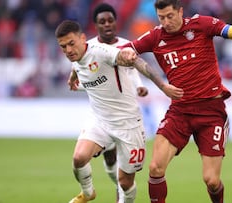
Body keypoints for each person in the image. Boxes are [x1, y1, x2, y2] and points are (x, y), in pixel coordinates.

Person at [121, 0, 232, 202]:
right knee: (155, 168)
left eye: (170, 16)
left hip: (211, 111)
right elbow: (128, 48)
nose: (166, 22)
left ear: (181, 11)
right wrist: (127, 51)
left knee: (212, 181)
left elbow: (231, 31)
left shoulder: (201, 24)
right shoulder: (156, 36)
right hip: (180, 111)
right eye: (161, 17)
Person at [55, 20, 183, 203]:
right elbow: (77, 67)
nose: (68, 50)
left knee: (125, 182)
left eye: (71, 44)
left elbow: (136, 61)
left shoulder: (101, 52)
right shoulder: (76, 58)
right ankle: (88, 193)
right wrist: (72, 78)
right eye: (63, 47)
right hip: (100, 120)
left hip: (128, 123)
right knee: (79, 158)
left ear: (83, 38)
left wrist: (162, 86)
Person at [89, 3, 149, 201]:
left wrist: (139, 85)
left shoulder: (125, 44)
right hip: (104, 113)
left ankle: (122, 188)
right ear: (96, 25)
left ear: (116, 22)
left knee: (123, 160)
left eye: (110, 20)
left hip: (126, 111)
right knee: (109, 156)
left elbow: (132, 70)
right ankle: (119, 185)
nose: (107, 24)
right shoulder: (89, 48)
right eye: (102, 21)